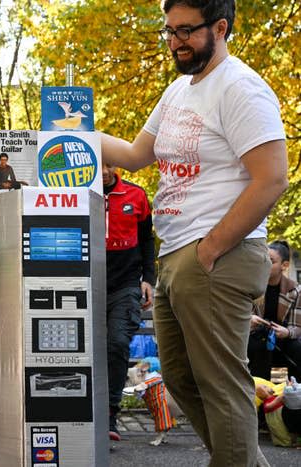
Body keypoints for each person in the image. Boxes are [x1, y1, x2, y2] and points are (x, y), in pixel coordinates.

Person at [99, 1, 288, 465]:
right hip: (178, 255)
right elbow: (136, 154)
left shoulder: (240, 88)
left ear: (220, 27)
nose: (175, 41)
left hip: (215, 256)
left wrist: (210, 249)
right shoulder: (179, 90)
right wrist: (65, 135)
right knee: (181, 380)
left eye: (186, 31)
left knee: (222, 386)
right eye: (169, 31)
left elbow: (273, 178)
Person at [102, 163, 155, 441]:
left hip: (125, 285)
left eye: (109, 164)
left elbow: (147, 240)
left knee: (118, 342)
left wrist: (149, 278)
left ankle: (111, 414)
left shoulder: (136, 195)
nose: (105, 170)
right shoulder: (77, 192)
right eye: (98, 164)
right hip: (87, 282)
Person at [248, 240, 301, 381]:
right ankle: (258, 391)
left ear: (284, 265)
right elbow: (241, 314)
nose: (265, 264)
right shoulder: (253, 286)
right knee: (257, 347)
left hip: (281, 340)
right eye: (263, 259)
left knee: (290, 349)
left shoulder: (295, 290)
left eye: (271, 261)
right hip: (256, 337)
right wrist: (250, 320)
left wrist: (287, 332)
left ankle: (280, 393)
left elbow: (297, 326)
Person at [255, 377, 301, 447]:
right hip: (278, 419)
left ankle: (295, 438)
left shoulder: (275, 396)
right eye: (265, 387)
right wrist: (285, 393)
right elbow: (269, 405)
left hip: (283, 415)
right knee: (284, 430)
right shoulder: (266, 403)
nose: (268, 386)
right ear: (262, 393)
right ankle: (289, 440)